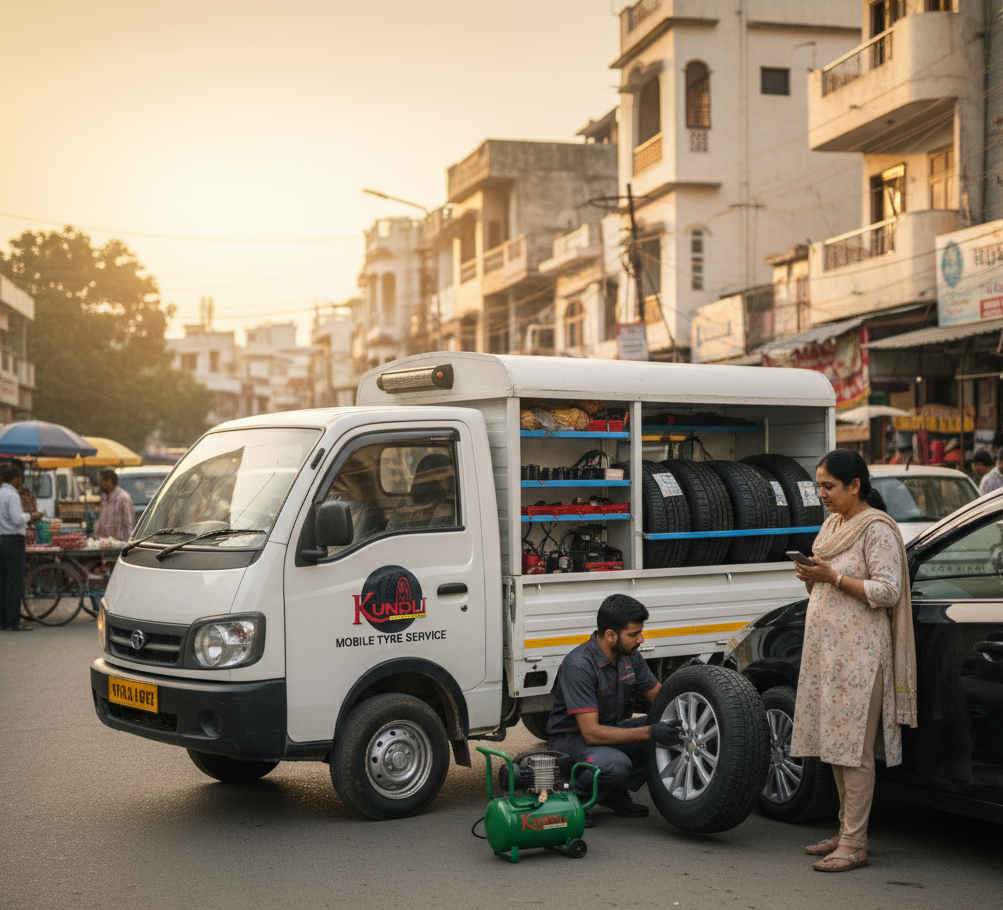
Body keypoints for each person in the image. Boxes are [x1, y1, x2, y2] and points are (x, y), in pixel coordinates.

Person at [791, 449, 917, 873]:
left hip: (862, 655)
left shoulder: (877, 529)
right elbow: (827, 590)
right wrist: (814, 579)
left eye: (828, 486)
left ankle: (854, 843)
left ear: (855, 486)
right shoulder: (832, 525)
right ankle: (846, 830)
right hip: (828, 653)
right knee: (833, 747)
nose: (821, 494)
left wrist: (832, 578)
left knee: (853, 752)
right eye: (819, 485)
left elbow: (888, 591)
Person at [546, 594, 682, 826]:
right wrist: (651, 732)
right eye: (633, 634)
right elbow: (591, 733)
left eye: (640, 632)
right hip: (570, 741)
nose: (641, 639)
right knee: (616, 763)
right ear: (610, 635)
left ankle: (611, 792)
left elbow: (660, 699)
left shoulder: (630, 658)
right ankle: (572, 799)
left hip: (606, 730)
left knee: (670, 727)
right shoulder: (579, 665)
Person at [0, 463, 42, 631]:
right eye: (20, 478)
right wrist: (31, 516)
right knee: (14, 582)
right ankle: (12, 621)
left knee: (2, 581)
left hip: (1, 539)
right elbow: (17, 519)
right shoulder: (12, 495)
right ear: (16, 479)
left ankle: (3, 620)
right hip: (12, 541)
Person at [92, 469, 135, 541]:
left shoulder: (123, 497)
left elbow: (129, 523)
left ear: (109, 481)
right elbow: (101, 522)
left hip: (120, 543)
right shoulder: (106, 499)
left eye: (101, 481)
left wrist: (129, 543)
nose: (100, 484)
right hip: (106, 543)